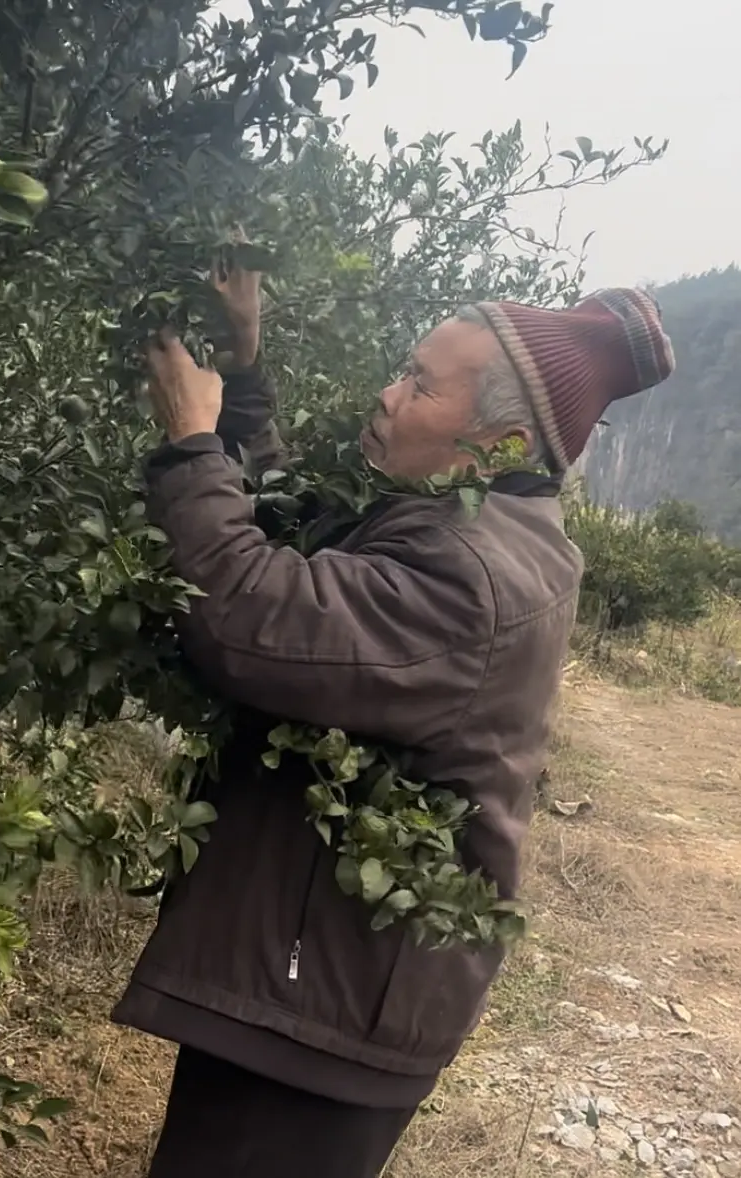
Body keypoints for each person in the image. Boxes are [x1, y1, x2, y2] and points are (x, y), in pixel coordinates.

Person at [110, 257, 675, 1178]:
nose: (387, 392)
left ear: (501, 439)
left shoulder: (473, 579)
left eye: (420, 384)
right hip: (323, 979)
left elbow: (253, 616)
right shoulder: (454, 522)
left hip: (332, 1002)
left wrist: (189, 447)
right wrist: (245, 369)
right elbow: (294, 523)